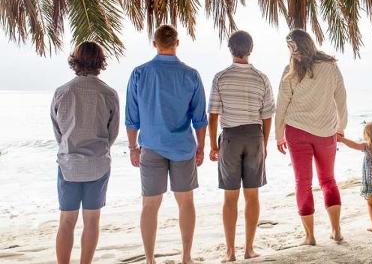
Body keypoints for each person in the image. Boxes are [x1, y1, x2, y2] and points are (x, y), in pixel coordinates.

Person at [125, 25, 207, 264]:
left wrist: (133, 148)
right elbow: (199, 118)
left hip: (151, 147)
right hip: (182, 148)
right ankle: (186, 257)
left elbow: (132, 117)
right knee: (186, 202)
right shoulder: (191, 74)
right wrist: (201, 146)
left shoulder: (140, 73)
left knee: (150, 205)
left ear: (154, 43)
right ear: (177, 43)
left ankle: (150, 260)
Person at [275, 29, 348, 245]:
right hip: (326, 131)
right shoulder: (330, 66)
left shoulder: (290, 70)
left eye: (290, 47)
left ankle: (310, 236)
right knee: (328, 180)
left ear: (294, 47)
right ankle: (336, 231)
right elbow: (342, 98)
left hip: (297, 131)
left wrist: (279, 135)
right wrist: (341, 127)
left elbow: (282, 106)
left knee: (303, 182)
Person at [208, 30, 275, 262]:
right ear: (251, 49)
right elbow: (267, 116)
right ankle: (248, 249)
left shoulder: (221, 77)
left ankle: (230, 252)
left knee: (230, 197)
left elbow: (213, 114)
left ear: (230, 49)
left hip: (230, 137)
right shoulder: (261, 78)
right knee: (252, 195)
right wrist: (264, 143)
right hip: (254, 136)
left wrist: (212, 145)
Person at [51, 42, 119, 264]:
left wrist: (70, 149)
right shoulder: (109, 93)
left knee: (66, 221)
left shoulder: (62, 92)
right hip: (98, 164)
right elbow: (112, 133)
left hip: (69, 165)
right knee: (92, 220)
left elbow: (58, 132)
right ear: (100, 62)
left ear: (75, 61)